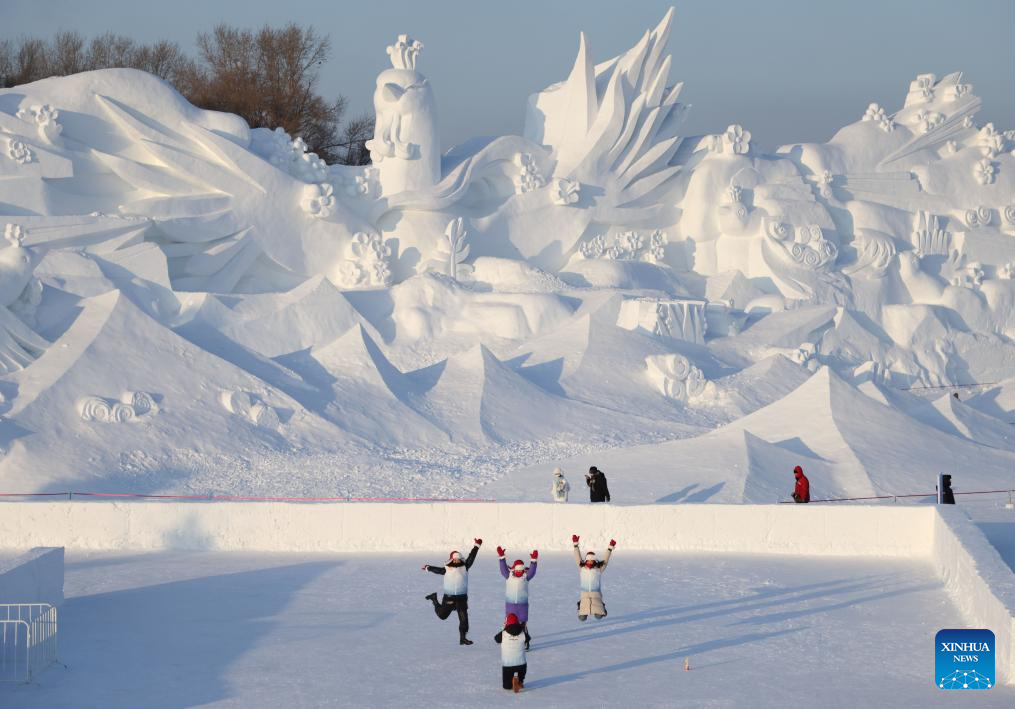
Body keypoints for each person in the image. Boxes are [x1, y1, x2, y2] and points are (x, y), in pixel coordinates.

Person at [423, 538, 482, 645]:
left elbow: (472, 557)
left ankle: (463, 638)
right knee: (442, 616)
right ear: (451, 559)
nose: (456, 561)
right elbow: (437, 570)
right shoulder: (447, 568)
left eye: (458, 559)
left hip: (461, 598)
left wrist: (476, 546)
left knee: (464, 619)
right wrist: (428, 568)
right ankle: (434, 599)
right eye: (454, 559)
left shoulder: (465, 566)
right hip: (449, 597)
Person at [497, 546, 537, 649]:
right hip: (510, 605)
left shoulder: (525, 577)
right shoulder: (508, 575)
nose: (519, 572)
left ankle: (525, 641)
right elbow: (503, 569)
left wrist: (533, 561)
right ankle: (507, 639)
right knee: (509, 622)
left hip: (522, 605)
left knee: (522, 624)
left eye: (521, 570)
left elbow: (532, 572)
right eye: (518, 570)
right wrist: (502, 557)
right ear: (514, 569)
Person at [572, 534, 616, 620]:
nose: (590, 562)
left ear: (594, 561)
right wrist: (575, 545)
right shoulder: (582, 568)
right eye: (588, 560)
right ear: (586, 560)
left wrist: (610, 548)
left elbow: (605, 560)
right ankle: (580, 605)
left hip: (596, 596)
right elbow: (577, 557)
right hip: (584, 596)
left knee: (599, 616)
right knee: (582, 618)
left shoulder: (598, 569)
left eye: (592, 561)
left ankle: (602, 606)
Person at [495, 613, 527, 693]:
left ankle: (510, 683)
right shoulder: (522, 632)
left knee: (506, 687)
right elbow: (528, 639)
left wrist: (504, 629)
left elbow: (496, 639)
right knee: (522, 669)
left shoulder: (503, 633)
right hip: (521, 663)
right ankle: (519, 681)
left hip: (507, 665)